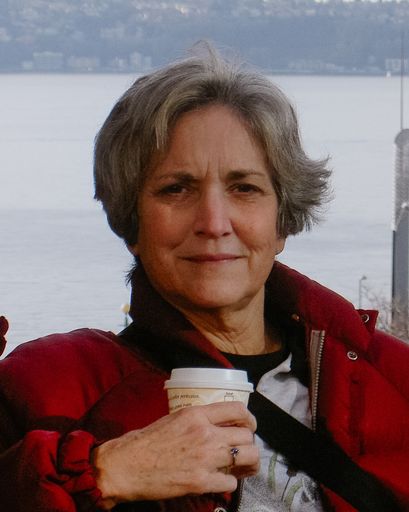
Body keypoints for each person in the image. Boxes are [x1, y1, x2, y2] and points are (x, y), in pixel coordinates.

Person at [1, 44, 409, 512]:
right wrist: (103, 474)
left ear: (282, 222)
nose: (214, 223)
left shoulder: (393, 378)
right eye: (176, 189)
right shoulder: (47, 388)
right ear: (132, 222)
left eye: (244, 188)